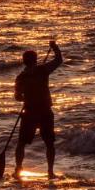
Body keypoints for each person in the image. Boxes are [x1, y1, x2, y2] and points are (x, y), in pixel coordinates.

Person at [13, 38, 62, 180]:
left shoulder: (21, 77)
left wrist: (26, 98)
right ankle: (50, 172)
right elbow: (59, 60)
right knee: (49, 143)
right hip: (45, 112)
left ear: (24, 61)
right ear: (35, 60)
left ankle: (18, 169)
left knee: (21, 143)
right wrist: (54, 47)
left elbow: (17, 97)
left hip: (29, 112)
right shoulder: (43, 70)